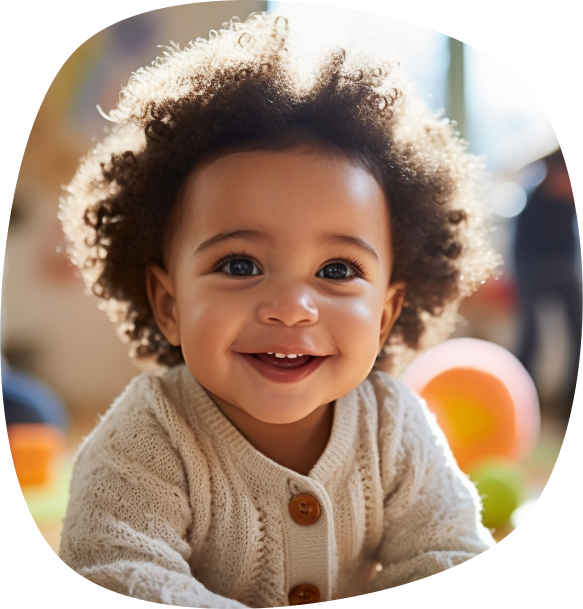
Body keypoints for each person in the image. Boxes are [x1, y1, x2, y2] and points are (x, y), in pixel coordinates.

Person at [57, 13, 499, 605]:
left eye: (337, 271)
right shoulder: (146, 440)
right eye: (240, 265)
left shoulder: (394, 427)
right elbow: (116, 569)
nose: (292, 308)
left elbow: (445, 553)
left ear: (388, 312)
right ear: (169, 304)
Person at [513, 149, 579, 423]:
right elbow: (522, 256)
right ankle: (520, 399)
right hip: (533, 268)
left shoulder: (565, 206)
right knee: (532, 336)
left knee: (577, 331)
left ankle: (566, 402)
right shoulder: (534, 204)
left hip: (562, 268)